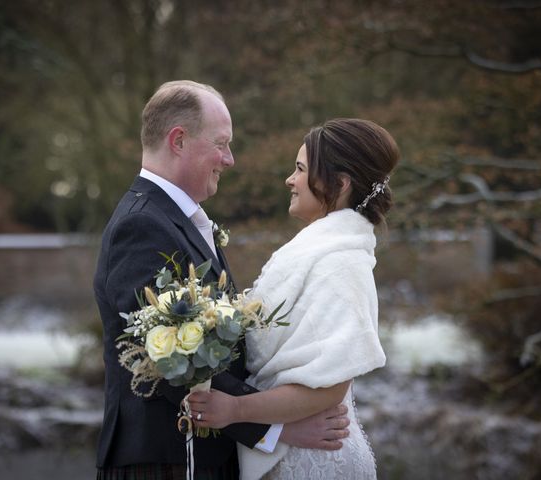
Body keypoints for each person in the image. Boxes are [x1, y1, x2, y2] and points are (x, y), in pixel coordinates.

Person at [93, 81, 351, 480]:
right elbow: (167, 363)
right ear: (178, 140)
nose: (229, 159)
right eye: (221, 143)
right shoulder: (141, 226)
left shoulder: (175, 218)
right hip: (164, 462)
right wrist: (278, 428)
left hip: (201, 454)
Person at [188, 118, 400, 479]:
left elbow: (332, 387)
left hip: (315, 460)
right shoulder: (317, 252)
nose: (290, 179)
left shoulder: (342, 263)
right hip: (291, 447)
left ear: (340, 183)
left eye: (300, 169)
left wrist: (235, 410)